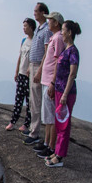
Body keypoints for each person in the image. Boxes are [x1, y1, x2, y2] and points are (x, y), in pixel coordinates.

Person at [46, 20, 81, 168]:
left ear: (69, 33)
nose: (62, 33)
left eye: (64, 30)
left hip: (67, 92)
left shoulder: (73, 51)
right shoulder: (66, 50)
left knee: (64, 124)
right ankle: (57, 152)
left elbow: (72, 74)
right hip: (60, 90)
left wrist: (65, 94)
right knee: (59, 122)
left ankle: (59, 157)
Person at [34, 12, 65, 159]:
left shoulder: (58, 38)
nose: (48, 22)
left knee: (51, 117)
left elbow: (58, 61)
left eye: (50, 20)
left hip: (50, 82)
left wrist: (53, 82)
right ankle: (46, 143)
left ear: (56, 23)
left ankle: (51, 146)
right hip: (46, 80)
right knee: (47, 117)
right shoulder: (54, 37)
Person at [24, 2, 52, 146]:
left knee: (36, 101)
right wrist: (29, 67)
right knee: (32, 99)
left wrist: (39, 70)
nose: (34, 13)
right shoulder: (39, 29)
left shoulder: (46, 30)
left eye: (36, 11)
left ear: (43, 13)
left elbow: (47, 53)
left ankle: (34, 133)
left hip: (39, 67)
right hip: (33, 66)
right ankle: (31, 128)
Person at [6, 18, 35, 131]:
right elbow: (20, 57)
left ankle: (26, 124)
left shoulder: (35, 42)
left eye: (25, 26)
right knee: (18, 99)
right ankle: (13, 122)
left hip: (29, 76)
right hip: (21, 74)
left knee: (29, 101)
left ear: (31, 27)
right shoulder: (24, 41)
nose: (23, 28)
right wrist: (16, 71)